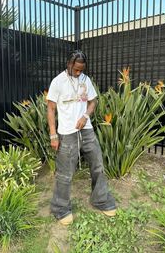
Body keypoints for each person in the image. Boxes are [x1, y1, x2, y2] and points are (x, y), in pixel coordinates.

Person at [47, 50, 116, 225]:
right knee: (65, 173)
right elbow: (51, 109)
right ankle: (60, 208)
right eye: (76, 69)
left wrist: (85, 116)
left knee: (98, 165)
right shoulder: (58, 81)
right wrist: (53, 135)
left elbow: (93, 101)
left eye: (81, 70)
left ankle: (100, 200)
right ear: (69, 64)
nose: (79, 73)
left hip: (87, 130)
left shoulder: (86, 80)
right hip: (67, 133)